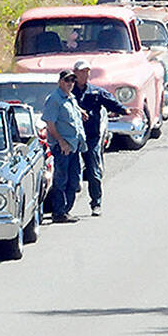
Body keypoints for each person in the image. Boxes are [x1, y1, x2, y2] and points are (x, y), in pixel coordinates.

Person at [71, 60, 126, 216]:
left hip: (91, 138)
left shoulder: (96, 92)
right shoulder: (68, 91)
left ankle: (96, 203)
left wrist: (125, 111)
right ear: (75, 73)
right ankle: (63, 209)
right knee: (71, 174)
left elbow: (112, 104)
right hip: (72, 138)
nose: (85, 74)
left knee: (94, 172)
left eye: (87, 71)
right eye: (81, 71)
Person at [41, 70, 86, 223]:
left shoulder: (70, 98)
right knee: (61, 180)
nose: (70, 84)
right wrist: (61, 141)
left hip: (74, 145)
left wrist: (81, 112)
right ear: (60, 81)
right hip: (63, 147)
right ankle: (58, 212)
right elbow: (50, 123)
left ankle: (66, 210)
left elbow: (70, 110)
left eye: (73, 81)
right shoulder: (54, 99)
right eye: (67, 80)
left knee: (74, 180)